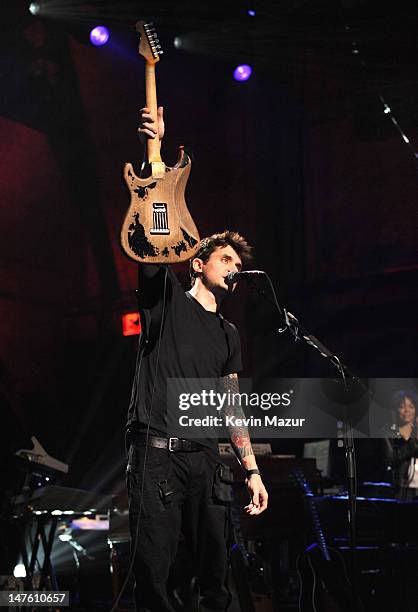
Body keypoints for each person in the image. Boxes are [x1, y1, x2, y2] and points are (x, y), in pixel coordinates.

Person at [125, 106, 268, 611]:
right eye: (226, 259)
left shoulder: (229, 333)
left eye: (238, 263)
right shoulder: (165, 298)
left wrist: (251, 469)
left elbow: (231, 407)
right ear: (199, 263)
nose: (235, 268)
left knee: (216, 573)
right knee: (155, 573)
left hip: (208, 461)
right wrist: (154, 162)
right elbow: (151, 238)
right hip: (157, 455)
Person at [384, 390, 418, 500]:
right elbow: (391, 459)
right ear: (395, 409)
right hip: (400, 489)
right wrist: (413, 443)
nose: (407, 411)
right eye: (402, 407)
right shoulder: (388, 434)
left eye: (411, 407)